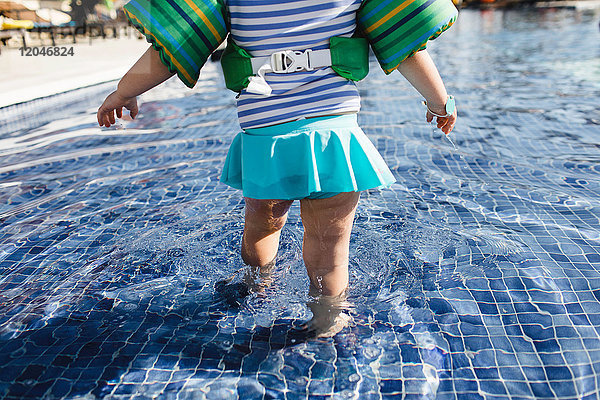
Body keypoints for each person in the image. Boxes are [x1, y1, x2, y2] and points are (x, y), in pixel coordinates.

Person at [97, 0, 457, 336]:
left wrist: (124, 92)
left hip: (266, 139)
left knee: (261, 227)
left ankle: (258, 286)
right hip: (332, 137)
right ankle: (328, 317)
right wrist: (440, 102)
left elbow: (169, 50)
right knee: (329, 246)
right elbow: (408, 47)